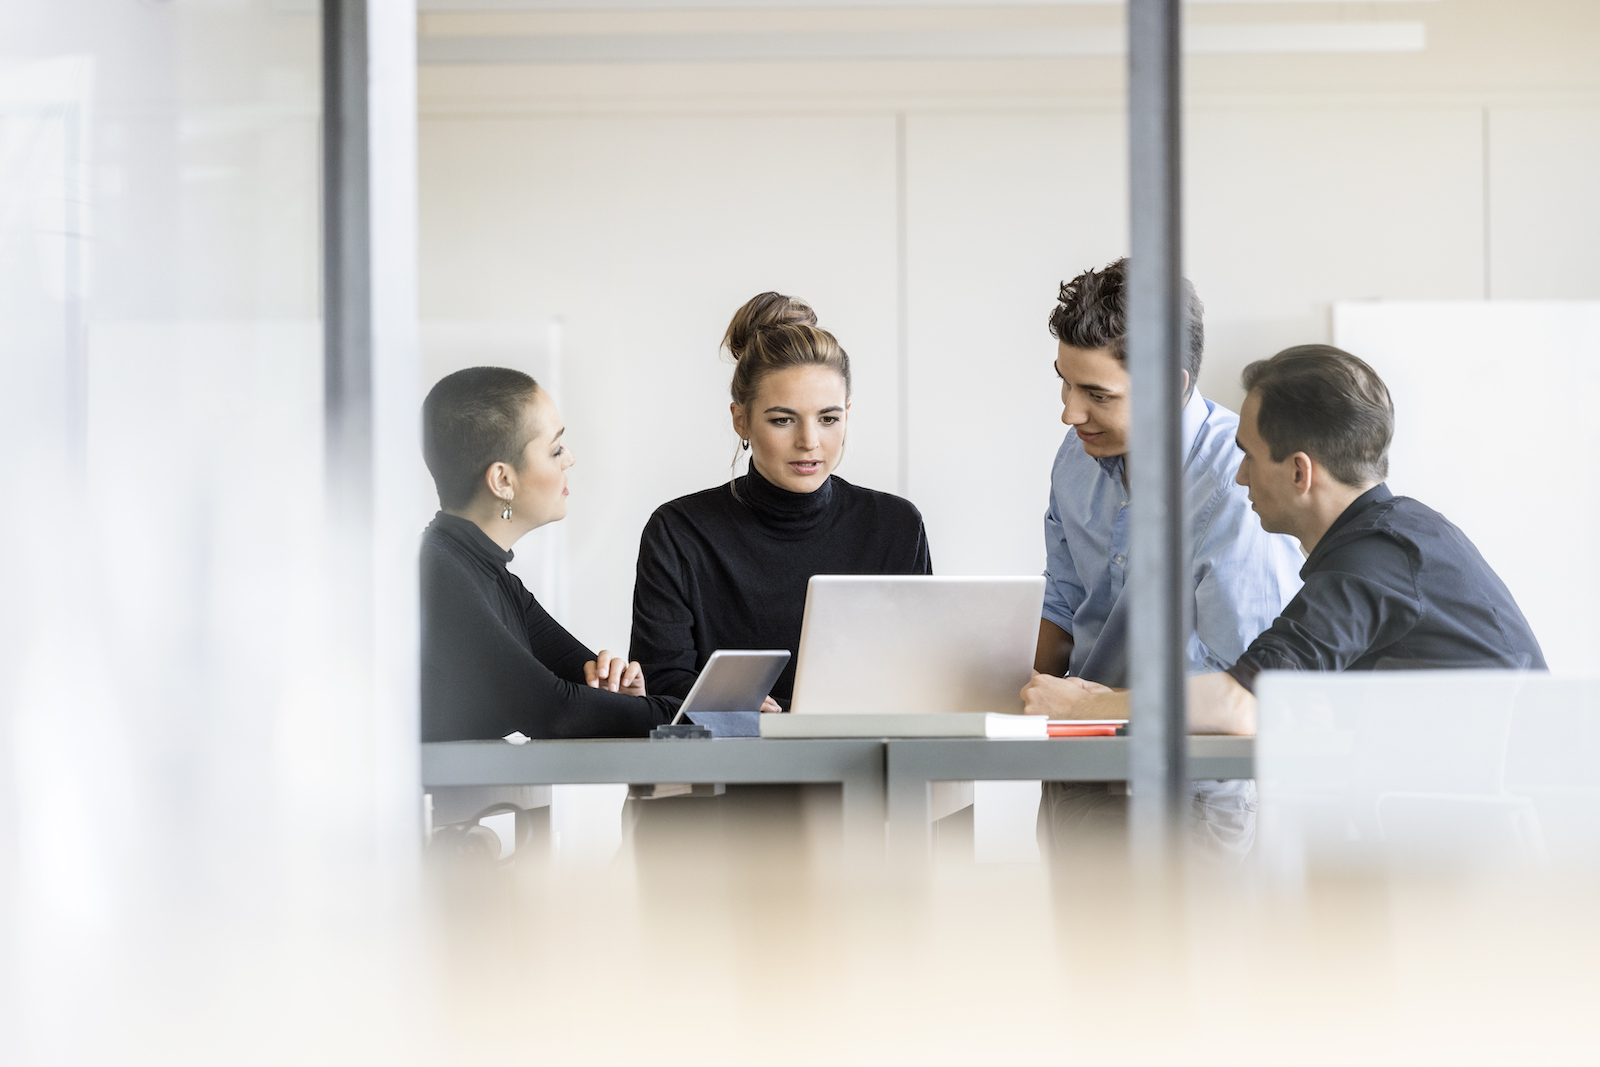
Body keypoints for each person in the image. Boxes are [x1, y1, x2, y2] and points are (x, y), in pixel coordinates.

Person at [1023, 344, 1546, 733]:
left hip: (1501, 842)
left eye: (1248, 455)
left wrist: (1088, 704)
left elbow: (1242, 701)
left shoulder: (1374, 560)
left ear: (1300, 473)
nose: (1241, 476)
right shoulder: (1399, 538)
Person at [1032, 260, 1306, 857]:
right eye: (1065, 383)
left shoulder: (1240, 484)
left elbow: (1244, 690)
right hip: (1076, 777)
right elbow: (1063, 603)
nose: (1069, 413)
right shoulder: (1075, 459)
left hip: (1191, 797)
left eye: (1097, 395)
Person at [630, 292, 931, 708]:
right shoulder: (679, 532)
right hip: (729, 760)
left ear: (847, 412)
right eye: (783, 419)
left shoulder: (896, 526)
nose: (809, 442)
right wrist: (730, 701)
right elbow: (661, 679)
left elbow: (923, 671)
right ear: (742, 420)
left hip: (866, 758)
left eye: (828, 418)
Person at [420, 366, 679, 741]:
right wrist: (688, 716)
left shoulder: (497, 579)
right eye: (555, 449)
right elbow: (556, 711)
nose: (570, 459)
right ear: (503, 481)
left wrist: (630, 698)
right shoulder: (438, 575)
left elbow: (585, 688)